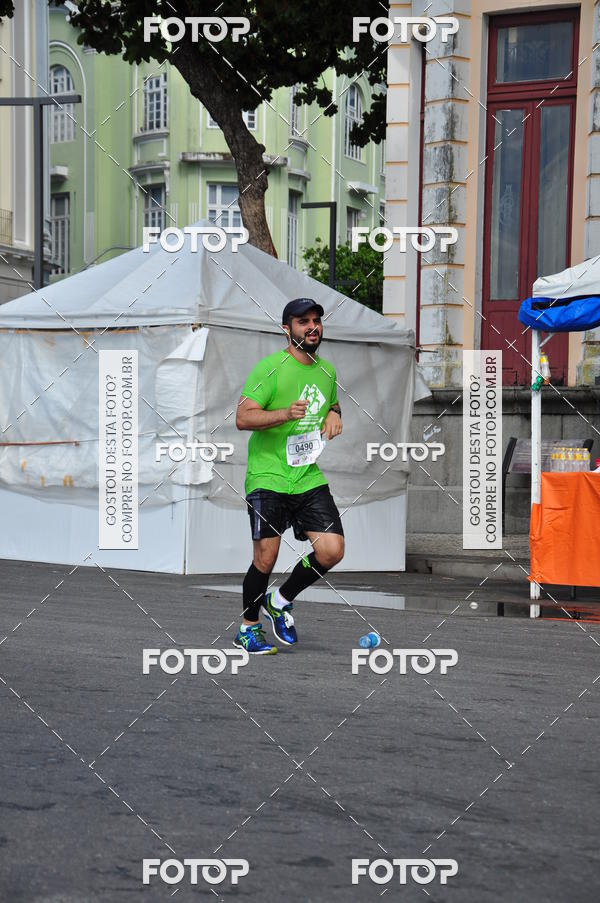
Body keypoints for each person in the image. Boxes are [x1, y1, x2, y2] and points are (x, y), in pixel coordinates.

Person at [233, 298, 345, 654]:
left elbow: (331, 402)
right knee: (266, 556)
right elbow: (242, 418)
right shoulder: (271, 368)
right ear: (287, 329)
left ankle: (279, 600)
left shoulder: (327, 371)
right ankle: (248, 628)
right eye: (303, 322)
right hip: (268, 476)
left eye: (316, 321)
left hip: (306, 476)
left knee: (331, 550)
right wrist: (283, 414)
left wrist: (334, 413)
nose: (312, 327)